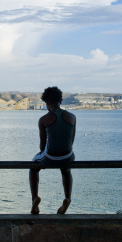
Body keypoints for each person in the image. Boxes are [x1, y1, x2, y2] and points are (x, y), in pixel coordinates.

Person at [30, 86, 76, 215]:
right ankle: (67, 198)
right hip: (67, 156)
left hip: (50, 158)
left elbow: (42, 146)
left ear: (47, 102)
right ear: (60, 101)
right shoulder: (72, 117)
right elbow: (71, 142)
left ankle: (34, 200)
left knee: (33, 167)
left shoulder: (44, 119)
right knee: (66, 170)